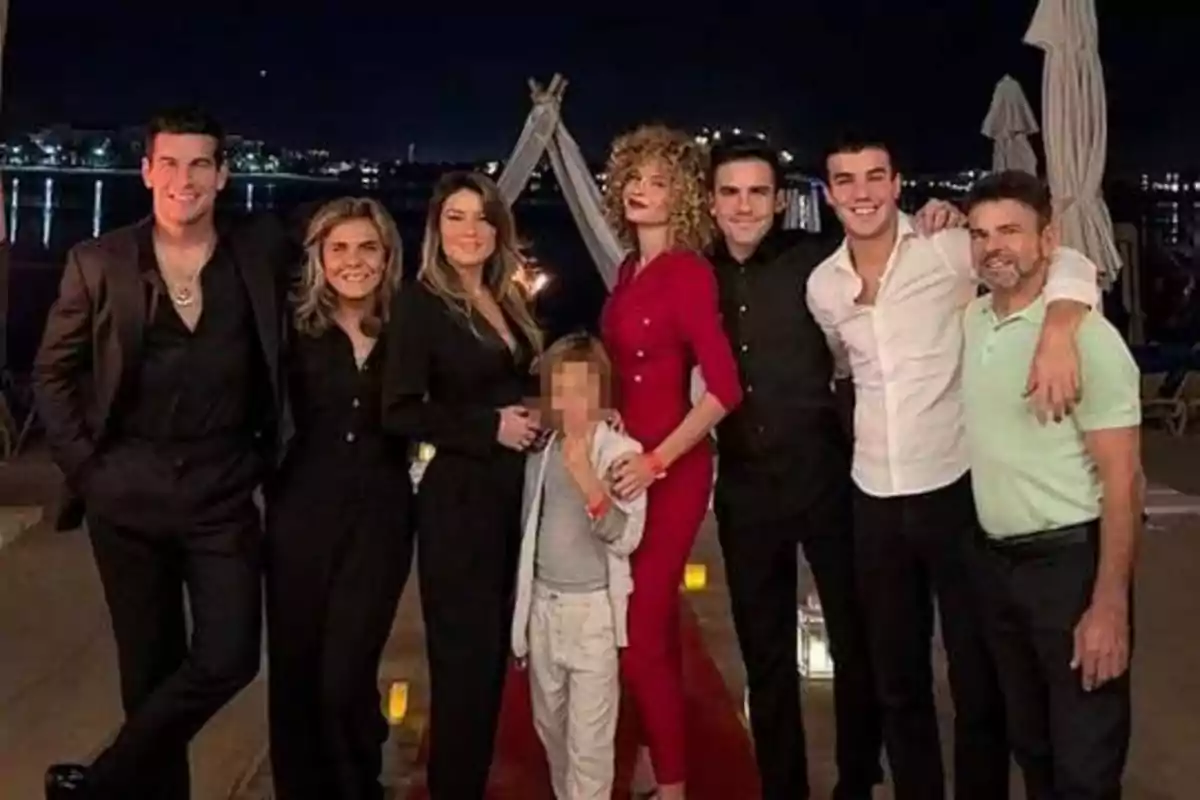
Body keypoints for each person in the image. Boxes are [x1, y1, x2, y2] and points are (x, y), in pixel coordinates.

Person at [806, 135, 1100, 800]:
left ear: (896, 182)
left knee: (977, 678)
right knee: (898, 681)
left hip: (955, 490)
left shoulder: (946, 246)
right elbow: (844, 367)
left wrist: (1057, 329)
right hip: (873, 496)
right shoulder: (824, 286)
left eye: (875, 176)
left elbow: (1066, 261)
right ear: (829, 194)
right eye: (846, 180)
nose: (861, 192)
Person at [33, 107, 292, 800]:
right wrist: (89, 471)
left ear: (223, 174)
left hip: (223, 493)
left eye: (200, 164)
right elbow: (51, 376)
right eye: (170, 163)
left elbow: (346, 274)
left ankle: (101, 783)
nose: (185, 179)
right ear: (146, 170)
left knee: (230, 657)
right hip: (126, 494)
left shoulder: (259, 254)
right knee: (147, 674)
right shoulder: (99, 261)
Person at [706, 135, 883, 800]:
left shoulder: (818, 263)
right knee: (765, 652)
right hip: (746, 486)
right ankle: (783, 788)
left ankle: (858, 780)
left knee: (853, 637)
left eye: (757, 192)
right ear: (714, 201)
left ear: (779, 201)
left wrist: (939, 219)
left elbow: (884, 265)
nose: (745, 206)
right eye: (731, 192)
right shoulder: (699, 275)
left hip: (826, 476)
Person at [962, 171, 1141, 800]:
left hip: (1069, 563)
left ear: (1049, 239)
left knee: (1085, 763)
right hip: (995, 565)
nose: (993, 247)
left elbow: (1124, 480)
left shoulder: (1088, 338)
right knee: (1032, 749)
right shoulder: (973, 322)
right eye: (980, 234)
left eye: (1010, 230)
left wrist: (1109, 604)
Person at [382, 171, 543, 798]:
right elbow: (398, 410)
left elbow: (507, 390)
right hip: (459, 505)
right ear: (436, 228)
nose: (470, 230)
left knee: (491, 667)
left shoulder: (506, 297)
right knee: (464, 670)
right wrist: (486, 427)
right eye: (456, 216)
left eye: (481, 217)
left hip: (511, 496)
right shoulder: (419, 303)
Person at [599, 124, 744, 800]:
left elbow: (724, 389)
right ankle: (657, 764)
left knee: (645, 621)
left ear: (681, 197)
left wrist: (657, 460)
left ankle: (675, 783)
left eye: (658, 182)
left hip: (672, 471)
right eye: (634, 177)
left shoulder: (688, 272)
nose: (640, 190)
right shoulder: (631, 269)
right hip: (625, 463)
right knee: (631, 623)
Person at [265, 197, 413, 800]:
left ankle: (358, 786)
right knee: (297, 673)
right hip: (299, 517)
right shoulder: (292, 328)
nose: (353, 261)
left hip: (381, 520)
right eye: (339, 248)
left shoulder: (410, 328)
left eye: (367, 248)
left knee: (345, 672)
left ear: (387, 256)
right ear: (319, 258)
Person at [511, 333, 647, 800]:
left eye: (583, 389)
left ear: (602, 392)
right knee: (550, 727)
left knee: (590, 745)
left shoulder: (621, 453)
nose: (572, 401)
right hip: (544, 612)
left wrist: (589, 480)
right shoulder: (541, 451)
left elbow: (625, 535)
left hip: (591, 617)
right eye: (561, 389)